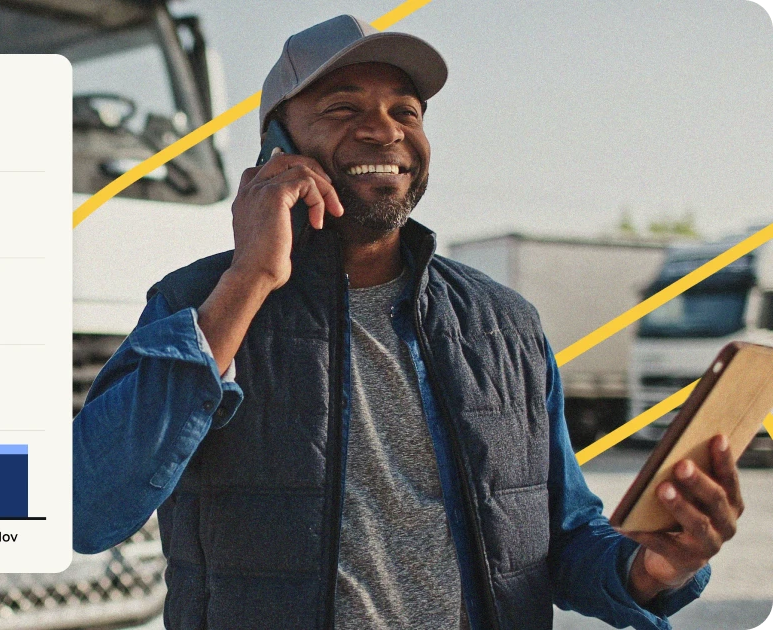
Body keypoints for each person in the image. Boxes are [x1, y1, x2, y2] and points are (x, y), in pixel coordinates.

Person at [72, 15, 743, 630]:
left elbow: (562, 541)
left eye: (406, 111)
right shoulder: (202, 304)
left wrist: (654, 567)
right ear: (276, 146)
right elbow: (87, 506)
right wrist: (250, 278)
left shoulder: (505, 325)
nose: (385, 130)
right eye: (344, 108)